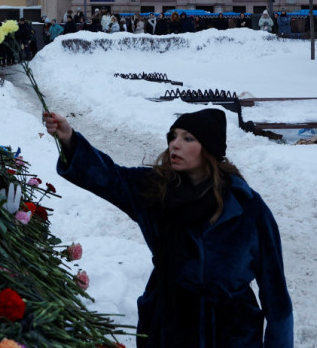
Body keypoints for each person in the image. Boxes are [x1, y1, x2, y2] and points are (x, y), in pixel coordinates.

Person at [42, 109, 293, 347]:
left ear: (209, 147)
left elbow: (276, 296)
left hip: (230, 333)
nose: (175, 144)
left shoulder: (247, 207)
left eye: (188, 138)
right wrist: (69, 139)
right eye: (173, 137)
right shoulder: (154, 192)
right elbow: (109, 176)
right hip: (167, 327)